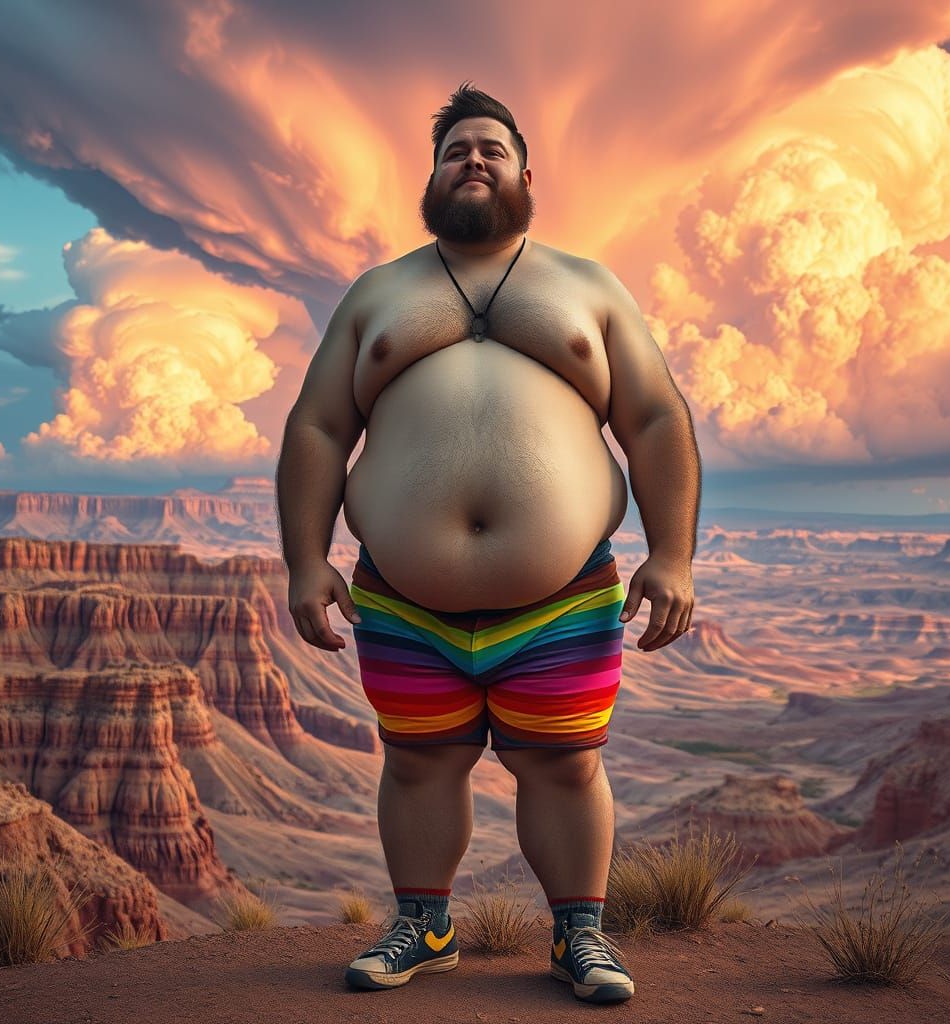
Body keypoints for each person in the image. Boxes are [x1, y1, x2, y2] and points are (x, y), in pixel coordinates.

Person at [276, 81, 700, 1005]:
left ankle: (579, 938)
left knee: (565, 763)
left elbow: (658, 418)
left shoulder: (587, 286)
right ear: (430, 176)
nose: (473, 159)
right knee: (420, 761)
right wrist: (305, 562)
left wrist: (672, 553)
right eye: (455, 149)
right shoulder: (379, 293)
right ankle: (423, 926)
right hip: (402, 594)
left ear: (525, 174)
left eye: (491, 149)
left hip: (561, 594)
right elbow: (315, 427)